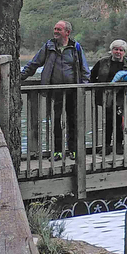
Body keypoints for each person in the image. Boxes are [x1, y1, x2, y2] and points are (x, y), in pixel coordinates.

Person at [21, 19, 90, 159]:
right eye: (55, 29)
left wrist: (83, 86)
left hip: (73, 91)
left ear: (67, 32)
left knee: (73, 121)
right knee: (56, 121)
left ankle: (73, 150)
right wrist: (20, 77)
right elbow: (34, 63)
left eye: (59, 29)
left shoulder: (76, 47)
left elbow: (85, 69)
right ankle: (58, 151)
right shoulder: (48, 46)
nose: (55, 32)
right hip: (55, 91)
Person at [90, 39, 127, 154]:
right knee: (108, 121)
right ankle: (106, 146)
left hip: (122, 96)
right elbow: (92, 76)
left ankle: (118, 145)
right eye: (115, 49)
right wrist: (96, 88)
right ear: (111, 50)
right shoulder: (102, 62)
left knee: (119, 122)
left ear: (124, 52)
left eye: (121, 50)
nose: (118, 52)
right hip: (106, 96)